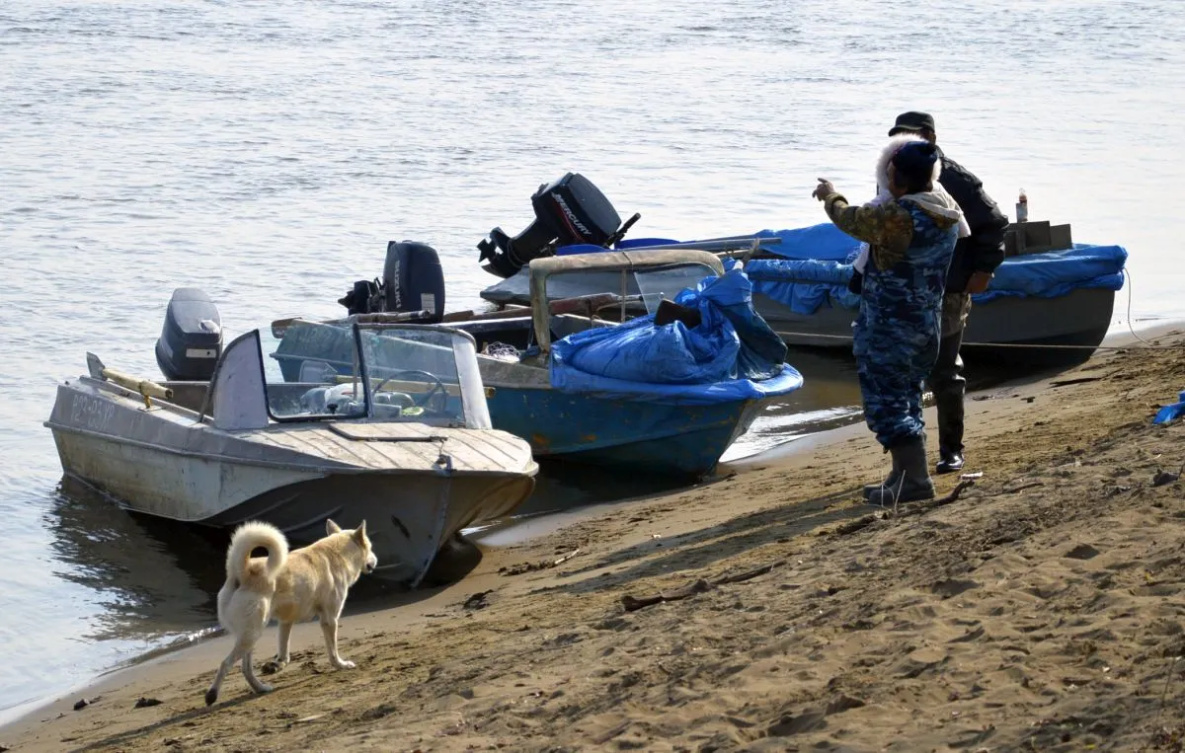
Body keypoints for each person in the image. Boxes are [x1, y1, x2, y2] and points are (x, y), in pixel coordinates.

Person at [813, 138, 963, 505]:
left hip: (890, 326)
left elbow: (850, 219)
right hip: (925, 324)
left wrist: (831, 194)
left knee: (888, 404)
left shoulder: (900, 217)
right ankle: (903, 475)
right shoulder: (946, 211)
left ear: (898, 181)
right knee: (906, 397)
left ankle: (914, 482)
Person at [886, 112, 1010, 474]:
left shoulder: (955, 178)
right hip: (906, 293)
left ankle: (951, 451)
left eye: (908, 137)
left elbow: (994, 223)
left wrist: (985, 269)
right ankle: (910, 458)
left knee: (944, 373)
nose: (900, 144)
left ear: (931, 137)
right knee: (905, 374)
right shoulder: (893, 177)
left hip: (948, 291)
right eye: (896, 138)